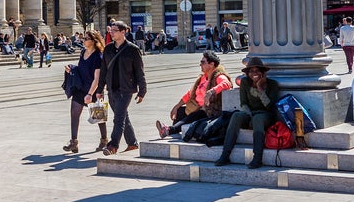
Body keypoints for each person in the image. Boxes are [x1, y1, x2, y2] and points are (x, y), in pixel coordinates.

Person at [215, 57, 280, 168]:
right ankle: (225, 155)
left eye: (257, 71)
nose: (254, 73)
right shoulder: (245, 82)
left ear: (263, 73)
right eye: (251, 71)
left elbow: (270, 106)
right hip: (250, 114)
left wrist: (260, 88)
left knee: (257, 118)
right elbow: (243, 103)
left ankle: (257, 158)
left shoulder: (272, 84)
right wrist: (249, 115)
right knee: (236, 115)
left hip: (265, 116)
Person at [156, 50, 232, 138]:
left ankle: (168, 130)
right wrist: (177, 106)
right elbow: (190, 94)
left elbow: (227, 84)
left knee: (194, 116)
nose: (200, 64)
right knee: (180, 111)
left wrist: (211, 91)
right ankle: (170, 133)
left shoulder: (219, 76)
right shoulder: (203, 78)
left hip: (209, 111)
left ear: (211, 64)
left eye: (203, 62)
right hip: (196, 107)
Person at [100, 22, 146, 156]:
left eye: (114, 30)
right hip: (112, 88)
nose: (111, 33)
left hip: (126, 89)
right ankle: (132, 143)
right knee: (123, 115)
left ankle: (113, 145)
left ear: (123, 32)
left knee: (118, 117)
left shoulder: (133, 49)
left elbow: (139, 72)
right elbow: (103, 71)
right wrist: (99, 90)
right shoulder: (108, 49)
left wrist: (142, 90)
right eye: (111, 30)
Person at [64, 30, 108, 153]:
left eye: (87, 39)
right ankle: (74, 142)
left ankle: (104, 140)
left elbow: (97, 78)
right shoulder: (83, 52)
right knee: (74, 113)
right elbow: (81, 69)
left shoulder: (98, 56)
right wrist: (71, 69)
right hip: (80, 88)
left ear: (94, 41)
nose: (84, 41)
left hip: (94, 90)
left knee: (98, 117)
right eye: (84, 38)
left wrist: (90, 94)